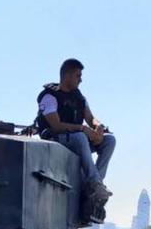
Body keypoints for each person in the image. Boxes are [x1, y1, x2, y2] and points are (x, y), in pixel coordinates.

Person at [36, 59, 116, 204]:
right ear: (67, 76)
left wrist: (98, 128)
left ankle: (95, 184)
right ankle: (95, 183)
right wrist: (83, 129)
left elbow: (91, 118)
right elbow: (56, 125)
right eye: (77, 76)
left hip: (78, 140)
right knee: (80, 137)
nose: (80, 80)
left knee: (109, 140)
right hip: (56, 139)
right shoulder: (50, 96)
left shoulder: (79, 98)